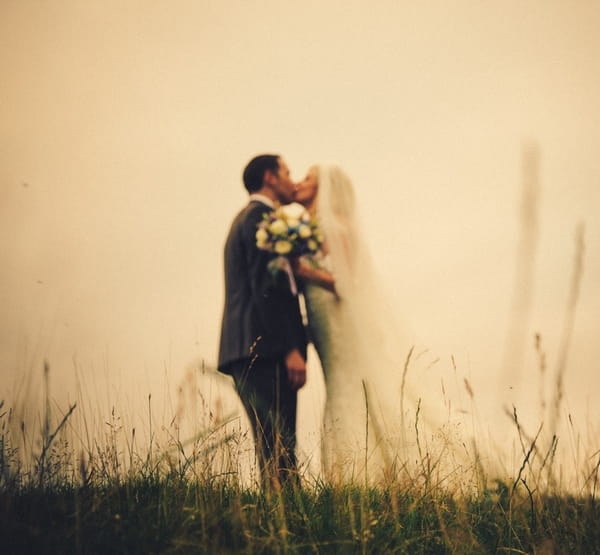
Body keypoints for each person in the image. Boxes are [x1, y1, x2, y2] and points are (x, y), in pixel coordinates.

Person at [294, 164, 423, 483]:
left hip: (337, 317)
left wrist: (305, 272)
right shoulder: (308, 226)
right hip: (323, 318)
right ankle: (359, 471)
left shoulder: (334, 225)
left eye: (308, 178)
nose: (299, 181)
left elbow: (346, 282)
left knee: (345, 385)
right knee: (339, 382)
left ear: (323, 187)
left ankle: (356, 474)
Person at [218, 154, 308, 488]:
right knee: (279, 449)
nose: (291, 179)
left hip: (250, 348)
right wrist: (290, 350)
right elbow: (267, 288)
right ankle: (287, 528)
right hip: (264, 351)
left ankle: (282, 525)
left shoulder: (250, 218)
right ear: (270, 177)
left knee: (274, 447)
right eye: (287, 171)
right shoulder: (261, 219)